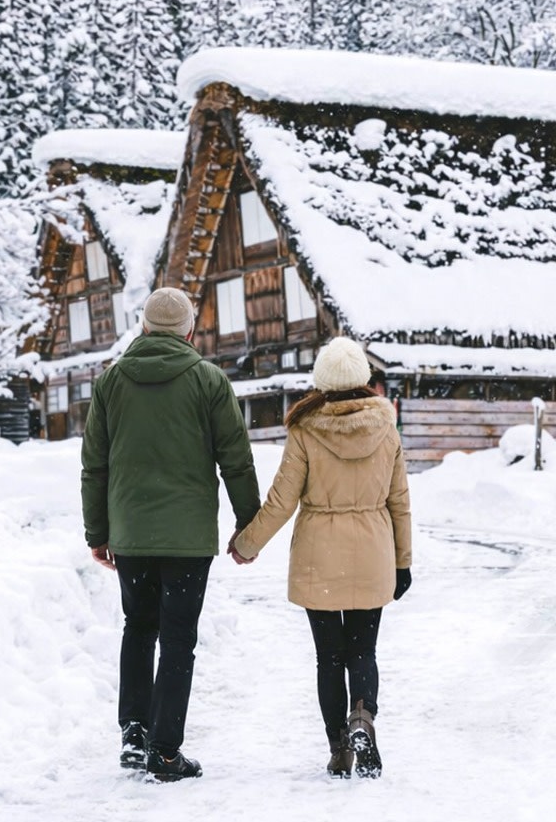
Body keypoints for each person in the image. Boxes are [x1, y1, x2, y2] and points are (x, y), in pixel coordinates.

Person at [81, 287, 259, 782]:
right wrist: (250, 524)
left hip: (131, 536)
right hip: (187, 541)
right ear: (189, 330)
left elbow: (94, 464)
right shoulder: (208, 381)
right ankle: (164, 751)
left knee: (138, 628)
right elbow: (235, 459)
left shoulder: (112, 381)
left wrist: (98, 532)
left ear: (143, 327)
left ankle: (134, 733)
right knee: (178, 639)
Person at [229, 336, 412, 779]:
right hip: (372, 552)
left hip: (320, 557)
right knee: (363, 651)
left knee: (329, 658)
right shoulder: (386, 427)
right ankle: (363, 719)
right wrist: (403, 562)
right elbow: (399, 501)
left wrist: (246, 543)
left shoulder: (306, 428)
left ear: (323, 379)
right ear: (363, 377)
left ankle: (338, 748)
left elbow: (281, 500)